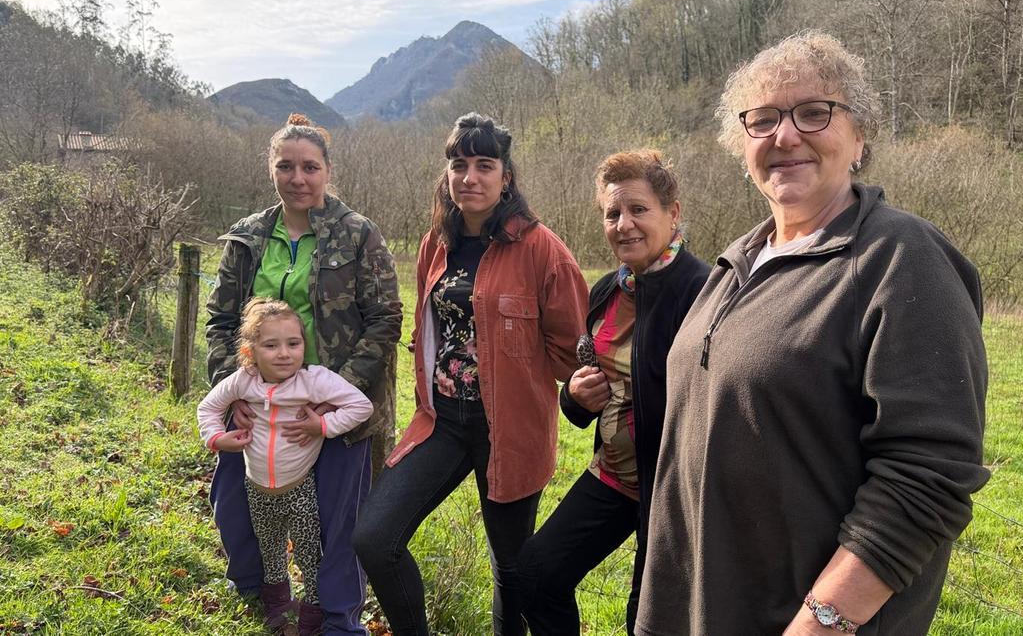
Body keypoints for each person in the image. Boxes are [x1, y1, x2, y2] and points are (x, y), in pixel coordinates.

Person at [636, 31, 990, 635]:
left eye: (814, 112)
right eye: (763, 119)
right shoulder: (736, 260)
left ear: (859, 136)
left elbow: (928, 478)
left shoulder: (900, 257)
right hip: (693, 611)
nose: (785, 135)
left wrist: (821, 623)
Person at [352, 112, 588, 636]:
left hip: (510, 432)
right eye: (460, 165)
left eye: (485, 165)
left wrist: (517, 369)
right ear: (448, 175)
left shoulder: (541, 248)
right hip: (442, 423)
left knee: (511, 568)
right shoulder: (437, 244)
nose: (470, 177)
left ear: (506, 176)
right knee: (374, 538)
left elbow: (572, 350)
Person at [205, 113, 402, 635]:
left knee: (339, 519)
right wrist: (234, 391)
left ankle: (337, 618)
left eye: (310, 167)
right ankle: (258, 589)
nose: (298, 177)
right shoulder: (248, 237)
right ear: (271, 169)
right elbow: (222, 320)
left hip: (334, 404)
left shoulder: (359, 235)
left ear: (328, 171)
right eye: (286, 166)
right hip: (259, 404)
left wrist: (337, 397)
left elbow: (385, 319)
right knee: (234, 501)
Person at [518, 150, 710, 634]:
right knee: (536, 577)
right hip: (613, 476)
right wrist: (574, 399)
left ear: (673, 213)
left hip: (672, 489)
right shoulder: (607, 289)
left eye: (639, 210)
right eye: (612, 213)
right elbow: (595, 384)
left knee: (646, 619)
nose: (624, 224)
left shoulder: (704, 292)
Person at [197, 298, 374, 634]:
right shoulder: (243, 381)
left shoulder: (312, 380)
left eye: (294, 344)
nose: (284, 354)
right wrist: (216, 438)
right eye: (271, 345)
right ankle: (277, 604)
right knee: (270, 551)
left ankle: (312, 612)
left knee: (309, 554)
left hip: (299, 490)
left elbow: (360, 406)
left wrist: (321, 426)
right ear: (250, 353)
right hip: (257, 490)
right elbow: (207, 407)